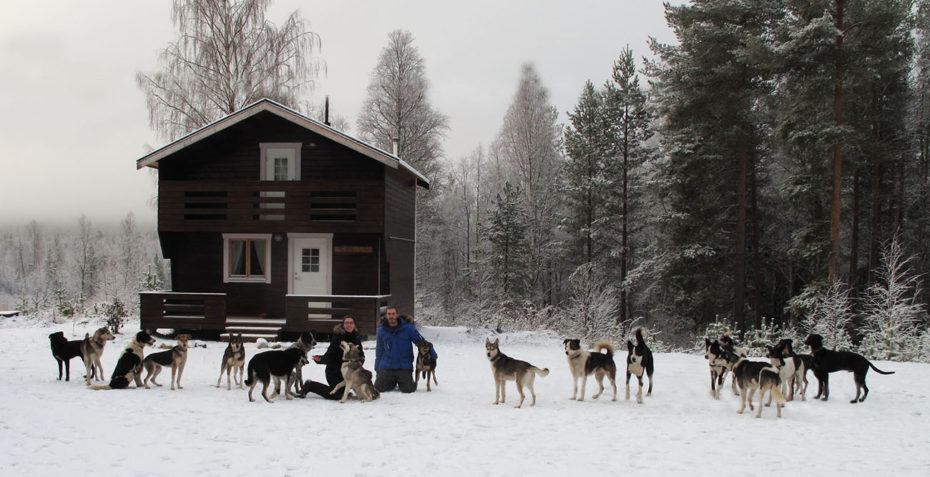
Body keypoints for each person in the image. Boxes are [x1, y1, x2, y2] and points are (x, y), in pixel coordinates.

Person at [297, 316, 364, 400]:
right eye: (346, 323)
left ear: (354, 325)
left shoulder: (356, 337)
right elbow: (330, 355)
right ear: (343, 325)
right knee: (337, 395)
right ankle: (310, 385)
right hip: (334, 372)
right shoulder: (338, 338)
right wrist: (321, 359)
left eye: (351, 323)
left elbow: (361, 354)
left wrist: (361, 361)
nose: (349, 325)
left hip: (348, 371)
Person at [374, 307, 437, 393]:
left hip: (404, 366)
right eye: (389, 314)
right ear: (386, 316)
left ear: (397, 315)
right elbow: (379, 350)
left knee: (409, 389)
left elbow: (421, 341)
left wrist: (433, 353)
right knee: (378, 388)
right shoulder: (381, 331)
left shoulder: (408, 328)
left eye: (393, 314)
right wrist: (377, 368)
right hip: (387, 366)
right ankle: (392, 381)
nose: (391, 316)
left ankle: (403, 381)